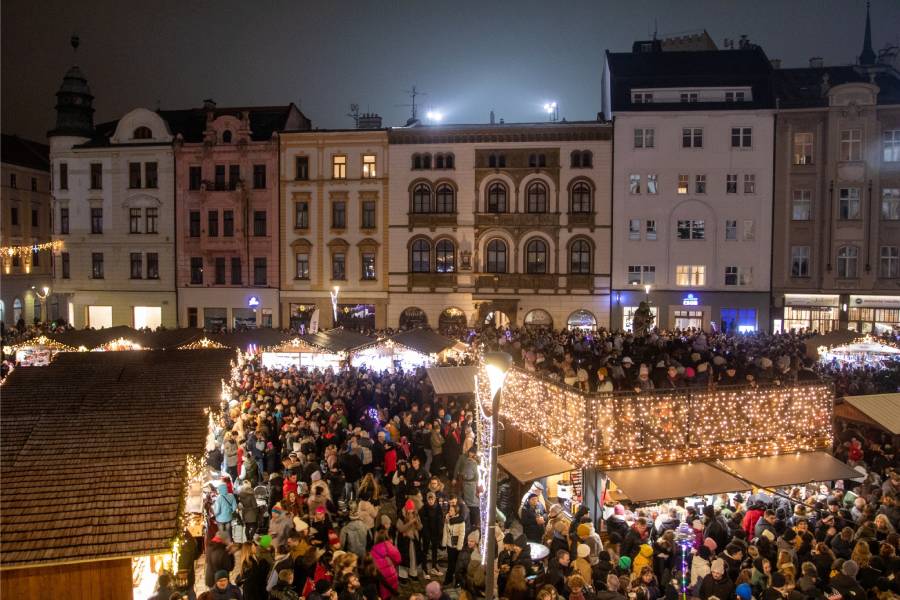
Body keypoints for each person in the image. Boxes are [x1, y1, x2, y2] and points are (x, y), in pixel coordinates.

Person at [371, 530, 402, 599]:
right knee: (389, 592)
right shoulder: (388, 545)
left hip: (379, 574)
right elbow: (398, 559)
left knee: (383, 592)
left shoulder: (373, 548)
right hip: (390, 573)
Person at [443, 504, 466, 587]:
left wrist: (459, 547)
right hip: (449, 545)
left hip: (457, 546)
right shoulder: (447, 519)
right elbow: (445, 531)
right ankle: (448, 579)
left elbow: (462, 534)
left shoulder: (461, 521)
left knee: (457, 565)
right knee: (450, 564)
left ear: (456, 512)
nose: (449, 511)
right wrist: (444, 543)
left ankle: (457, 581)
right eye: (449, 510)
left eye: (451, 510)